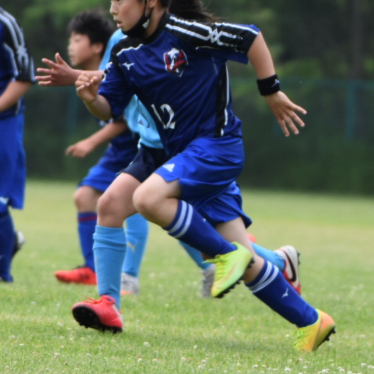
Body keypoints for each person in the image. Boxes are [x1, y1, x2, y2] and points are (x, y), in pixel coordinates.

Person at [72, 0, 335, 352]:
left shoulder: (187, 32)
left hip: (214, 147)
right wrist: (91, 98)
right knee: (110, 205)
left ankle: (226, 256)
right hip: (166, 153)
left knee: (148, 199)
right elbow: (109, 106)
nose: (113, 7)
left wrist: (270, 90)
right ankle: (313, 321)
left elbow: (250, 36)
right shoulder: (123, 48)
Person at [49, 10, 150, 294]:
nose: (70, 45)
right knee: (86, 197)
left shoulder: (129, 45)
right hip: (118, 149)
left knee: (145, 206)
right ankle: (92, 269)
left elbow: (121, 117)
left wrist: (90, 142)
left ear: (96, 46)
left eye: (77, 39)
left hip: (139, 145)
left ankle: (128, 276)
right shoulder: (115, 47)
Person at [0, 8, 34, 282]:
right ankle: (9, 242)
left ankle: (3, 273)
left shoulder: (5, 24)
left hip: (4, 120)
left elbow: (24, 77)